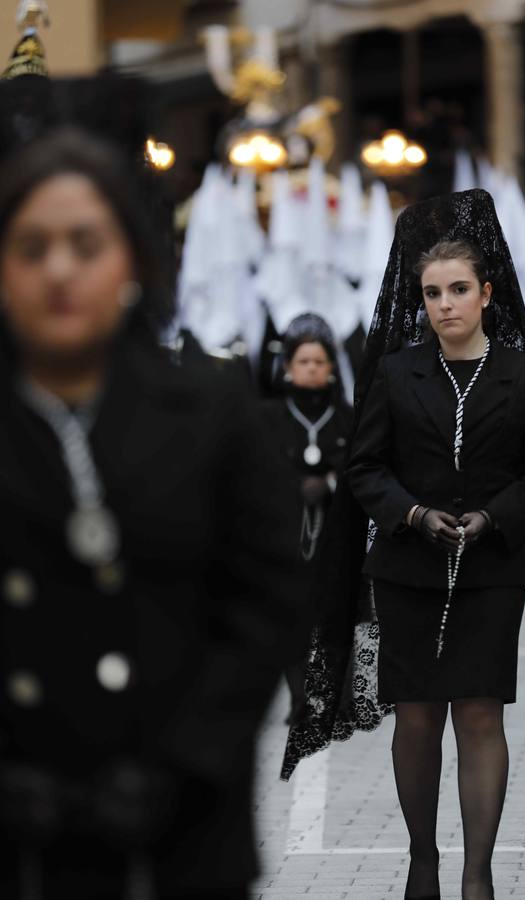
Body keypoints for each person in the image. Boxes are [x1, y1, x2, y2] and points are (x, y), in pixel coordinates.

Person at [0, 127, 300, 900]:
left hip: (180, 840)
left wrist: (183, 766)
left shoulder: (213, 412)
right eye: (31, 248)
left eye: (85, 244)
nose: (59, 270)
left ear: (131, 260)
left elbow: (265, 607)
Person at [282, 190, 525, 900]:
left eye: (459, 289)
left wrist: (492, 519)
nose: (445, 304)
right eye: (433, 292)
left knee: (478, 714)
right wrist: (410, 515)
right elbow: (365, 468)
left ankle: (477, 874)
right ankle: (421, 860)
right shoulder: (395, 372)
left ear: (487, 292)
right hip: (408, 571)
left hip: (492, 572)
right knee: (416, 716)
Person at [261, 314, 353, 722]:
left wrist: (330, 483)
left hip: (338, 534)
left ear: (332, 368)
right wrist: (292, 486)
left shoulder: (349, 416)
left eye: (320, 361)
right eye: (304, 362)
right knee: (291, 615)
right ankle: (300, 700)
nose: (312, 368)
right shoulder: (268, 417)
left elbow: (362, 468)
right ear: (288, 368)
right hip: (287, 534)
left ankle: (342, 698)